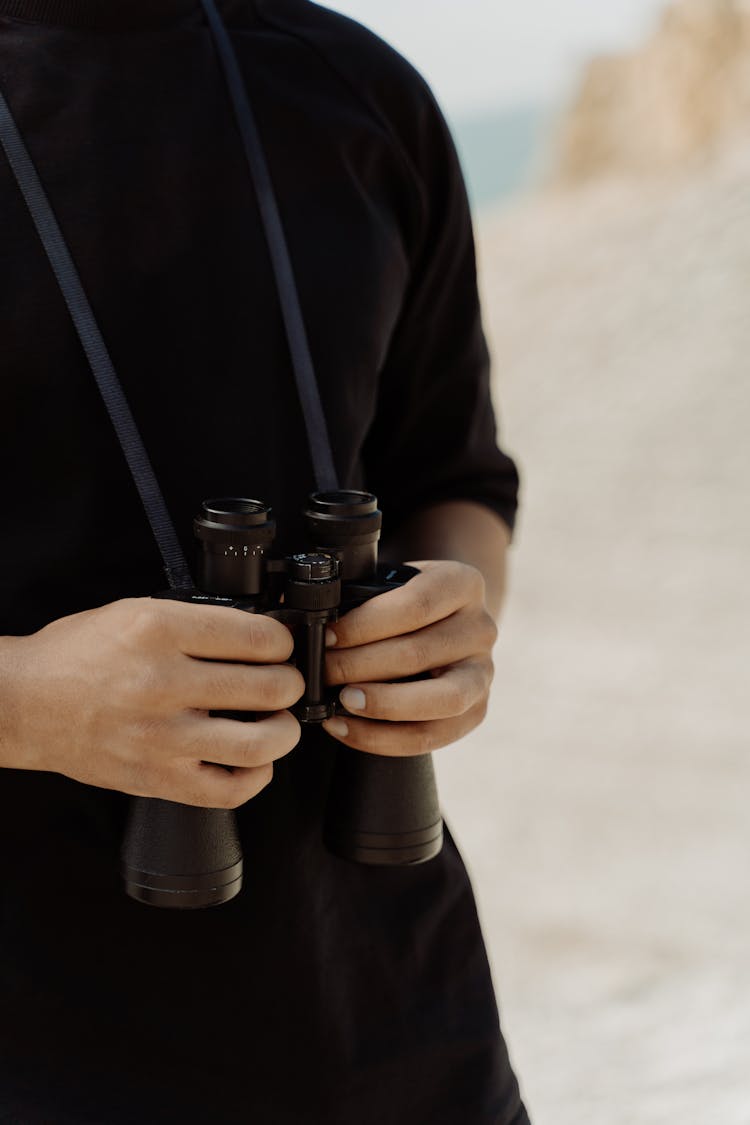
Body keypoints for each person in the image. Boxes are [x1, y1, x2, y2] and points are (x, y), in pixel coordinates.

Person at [0, 1, 529, 1122]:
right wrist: (24, 703)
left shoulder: (359, 90)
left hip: (394, 1020)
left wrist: (449, 621)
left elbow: (454, 472)